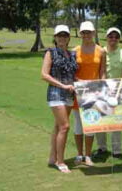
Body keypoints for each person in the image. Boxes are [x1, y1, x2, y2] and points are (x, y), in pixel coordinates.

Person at [41, 25, 77, 173]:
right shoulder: (50, 52)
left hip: (69, 94)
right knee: (65, 127)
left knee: (58, 127)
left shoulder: (72, 54)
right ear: (55, 38)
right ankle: (60, 161)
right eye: (59, 35)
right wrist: (63, 85)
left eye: (65, 35)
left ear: (68, 38)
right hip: (56, 93)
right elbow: (44, 75)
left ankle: (52, 157)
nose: (62, 38)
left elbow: (72, 76)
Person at [73, 21, 106, 166]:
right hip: (78, 92)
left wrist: (101, 85)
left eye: (89, 32)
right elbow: (71, 72)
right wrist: (80, 82)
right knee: (79, 125)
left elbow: (102, 72)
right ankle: (79, 154)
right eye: (84, 32)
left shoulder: (101, 51)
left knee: (91, 124)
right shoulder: (74, 51)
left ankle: (88, 156)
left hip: (94, 92)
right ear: (80, 33)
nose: (86, 35)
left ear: (94, 33)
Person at [95, 27, 122, 158]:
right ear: (107, 37)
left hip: (117, 92)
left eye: (116, 37)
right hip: (100, 90)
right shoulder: (100, 52)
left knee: (116, 122)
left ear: (119, 39)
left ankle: (116, 150)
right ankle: (101, 148)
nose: (113, 39)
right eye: (111, 36)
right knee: (101, 121)